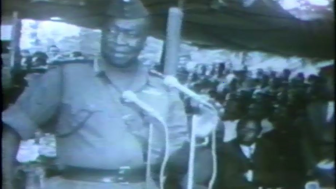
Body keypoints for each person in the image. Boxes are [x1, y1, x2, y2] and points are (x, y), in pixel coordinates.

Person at [2, 0, 218, 189]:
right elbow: (14, 128)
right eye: (112, 31)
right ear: (103, 32)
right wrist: (8, 182)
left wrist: (198, 137)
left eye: (130, 34)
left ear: (144, 39)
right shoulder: (67, 77)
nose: (119, 41)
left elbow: (176, 162)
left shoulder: (163, 89)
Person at [215, 117, 283, 189]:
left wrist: (254, 176)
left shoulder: (267, 147)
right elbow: (229, 181)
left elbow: (279, 176)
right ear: (237, 130)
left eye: (251, 130)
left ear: (258, 133)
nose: (245, 133)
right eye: (242, 129)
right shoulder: (226, 149)